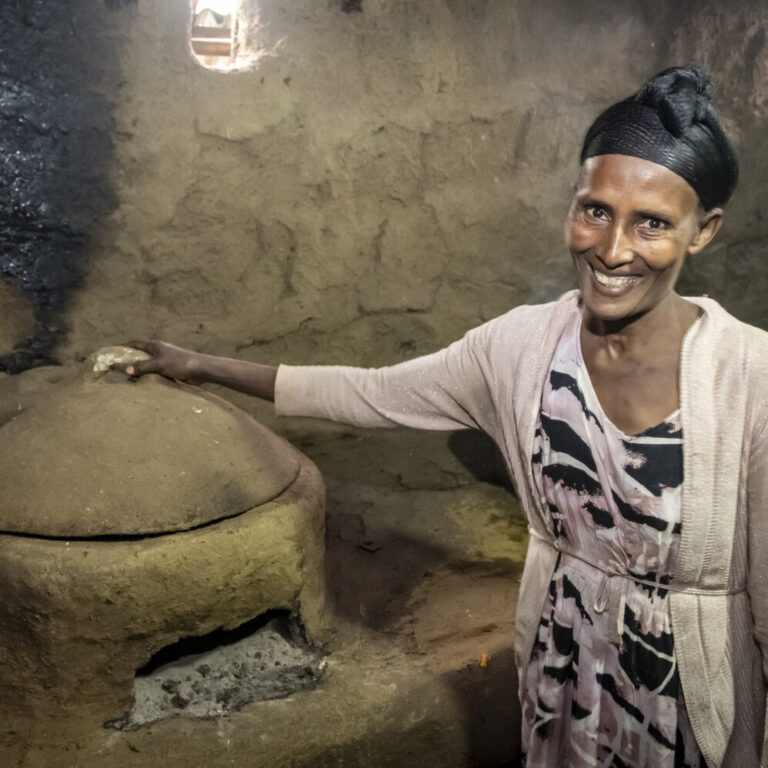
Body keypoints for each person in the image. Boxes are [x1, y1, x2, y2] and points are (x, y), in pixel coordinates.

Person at [126, 66, 768, 767]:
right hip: (564, 678)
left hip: (688, 703)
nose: (612, 250)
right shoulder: (520, 346)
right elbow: (370, 392)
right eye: (595, 211)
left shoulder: (751, 381)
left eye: (651, 224)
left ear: (703, 231)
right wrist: (205, 366)